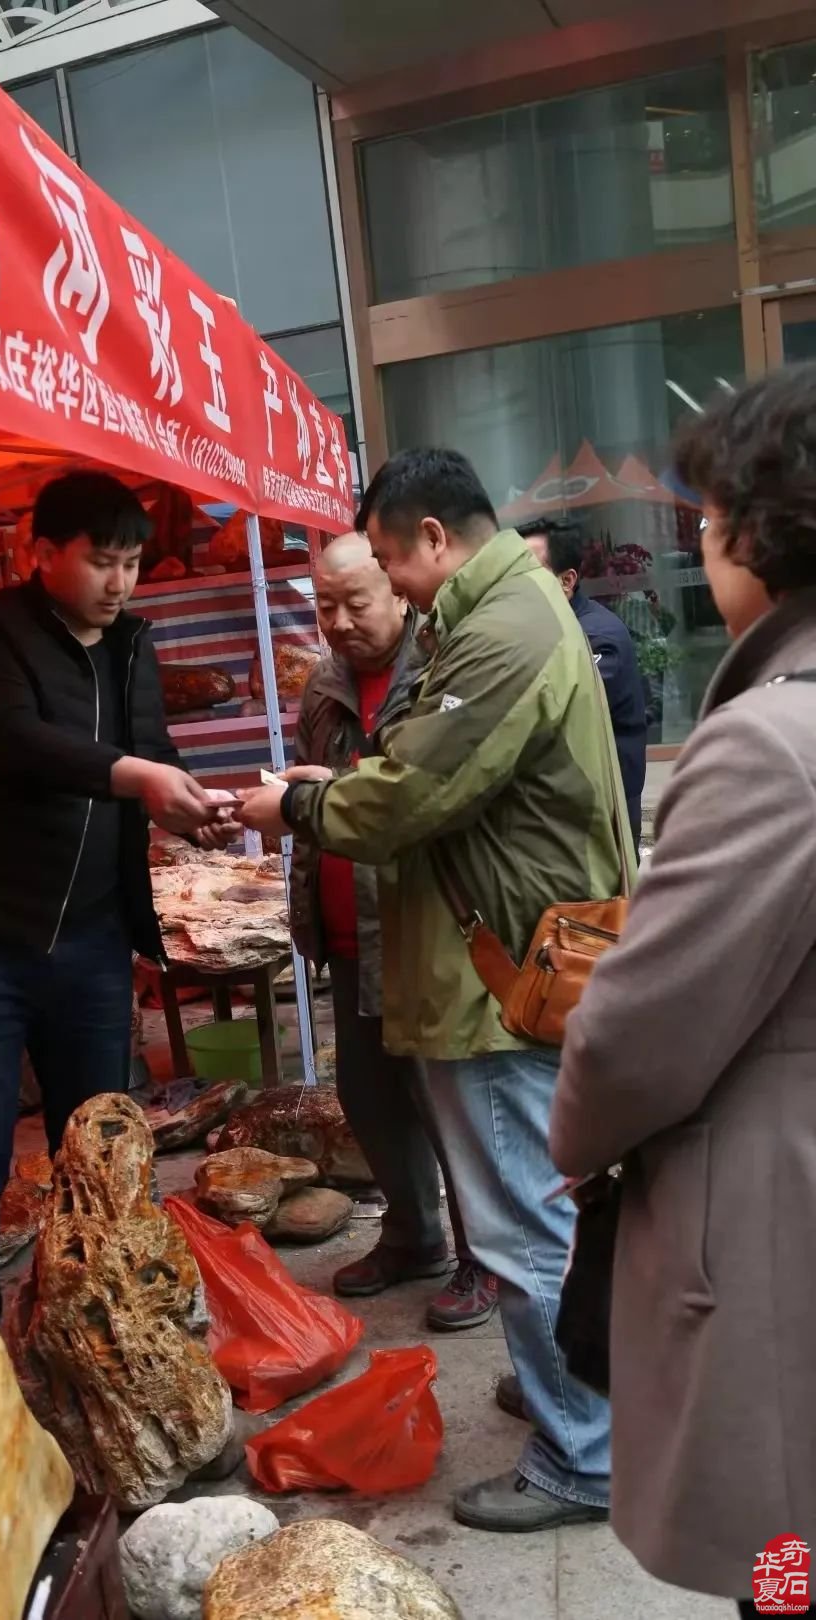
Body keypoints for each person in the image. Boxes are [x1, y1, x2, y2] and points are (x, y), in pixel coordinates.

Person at [240, 447, 628, 1531]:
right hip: (508, 962)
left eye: (386, 564)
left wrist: (301, 807)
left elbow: (408, 794)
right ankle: (577, 1396)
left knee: (518, 1225)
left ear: (431, 538)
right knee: (542, 1207)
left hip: (496, 982)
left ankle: (583, 1457)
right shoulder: (504, 612)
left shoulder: (502, 630)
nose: (385, 589)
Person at [551, 365, 816, 1617]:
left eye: (706, 516)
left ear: (757, 533)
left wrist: (572, 1141)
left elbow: (635, 1040)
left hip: (778, 1220)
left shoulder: (770, 745)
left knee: (785, 1552)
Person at [0, 469, 229, 1324]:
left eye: (132, 563)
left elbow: (154, 749)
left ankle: (98, 1326)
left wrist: (193, 810)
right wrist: (139, 777)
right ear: (41, 552)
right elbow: (11, 741)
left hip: (90, 939)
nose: (120, 583)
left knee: (98, 1148)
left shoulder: (132, 645)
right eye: (101, 562)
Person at [289, 533, 496, 1330]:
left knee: (445, 1103)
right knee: (369, 1095)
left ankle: (487, 1257)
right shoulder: (322, 686)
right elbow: (314, 810)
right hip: (347, 935)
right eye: (325, 606)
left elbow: (424, 795)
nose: (339, 621)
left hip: (419, 931)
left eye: (355, 602)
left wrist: (332, 791)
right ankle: (414, 1236)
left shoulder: (440, 671)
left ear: (398, 594)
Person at [518, 518, 646, 847]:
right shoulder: (547, 627)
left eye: (528, 572)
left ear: (567, 581)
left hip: (602, 812)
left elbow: (557, 709)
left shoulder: (596, 636)